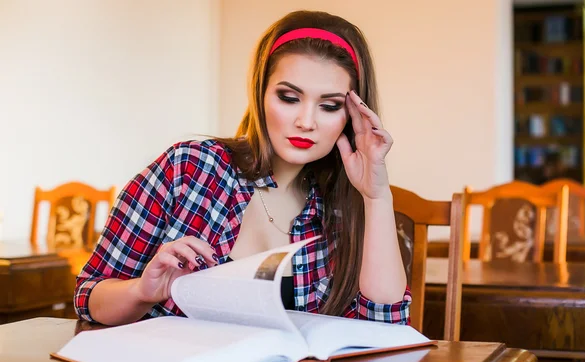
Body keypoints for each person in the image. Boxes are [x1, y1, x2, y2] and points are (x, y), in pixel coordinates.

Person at [74, 10, 411, 326]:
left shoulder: (339, 209)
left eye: (329, 105)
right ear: (260, 94)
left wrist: (377, 196)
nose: (305, 122)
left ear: (351, 116)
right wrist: (142, 292)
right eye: (289, 98)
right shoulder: (190, 168)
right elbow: (88, 295)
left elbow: (384, 324)